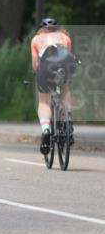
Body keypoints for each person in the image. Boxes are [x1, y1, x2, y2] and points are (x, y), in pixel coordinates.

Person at [31, 18, 78, 155]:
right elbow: (67, 56)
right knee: (65, 88)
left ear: (41, 28)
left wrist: (38, 75)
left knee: (44, 101)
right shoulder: (65, 37)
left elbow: (35, 65)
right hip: (65, 65)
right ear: (58, 28)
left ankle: (46, 131)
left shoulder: (36, 39)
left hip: (46, 67)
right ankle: (67, 118)